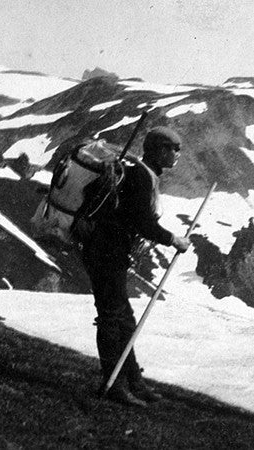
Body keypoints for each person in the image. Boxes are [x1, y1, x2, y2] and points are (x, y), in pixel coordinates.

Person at [80, 126, 190, 407]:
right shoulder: (141, 176)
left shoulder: (141, 173)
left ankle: (133, 382)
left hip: (107, 250)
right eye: (174, 148)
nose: (177, 154)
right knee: (111, 317)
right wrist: (173, 239)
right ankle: (113, 384)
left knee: (123, 318)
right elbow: (143, 222)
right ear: (160, 150)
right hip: (107, 252)